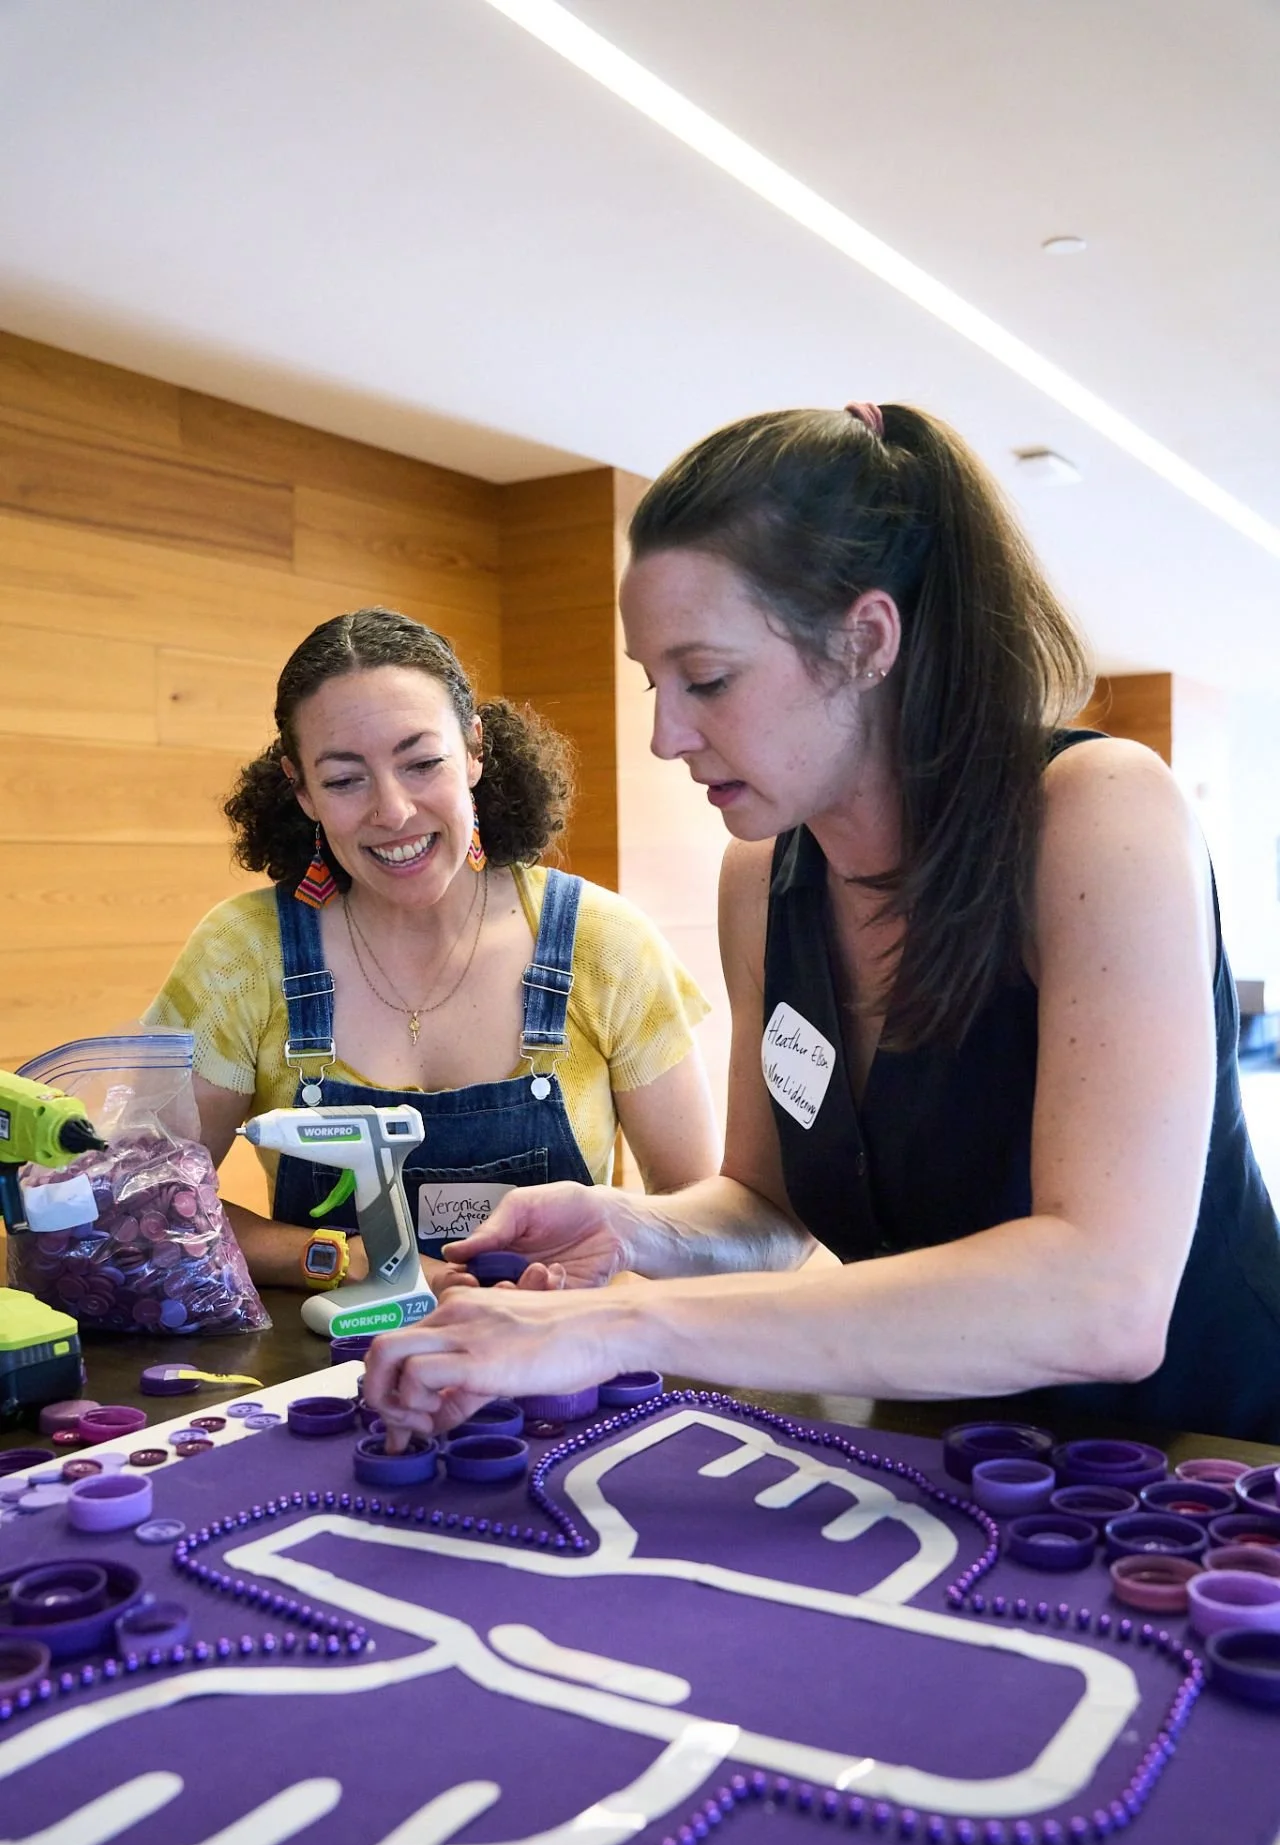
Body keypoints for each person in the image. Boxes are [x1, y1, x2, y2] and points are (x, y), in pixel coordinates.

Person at [363, 403, 1280, 1445]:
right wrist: (632, 1226)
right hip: (941, 1460)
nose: (665, 735)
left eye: (705, 679)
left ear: (865, 639)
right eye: (653, 683)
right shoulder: (759, 878)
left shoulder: (1096, 814)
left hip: (1205, 1470)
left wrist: (617, 1324)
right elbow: (764, 1209)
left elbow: (1101, 1299)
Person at [145, 606, 719, 1294]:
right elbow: (157, 1201)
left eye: (422, 763)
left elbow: (700, 1223)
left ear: (475, 751)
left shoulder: (605, 943)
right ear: (301, 790)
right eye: (344, 779)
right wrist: (356, 1262)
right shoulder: (242, 955)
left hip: (558, 1358)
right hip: (322, 1372)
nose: (393, 812)